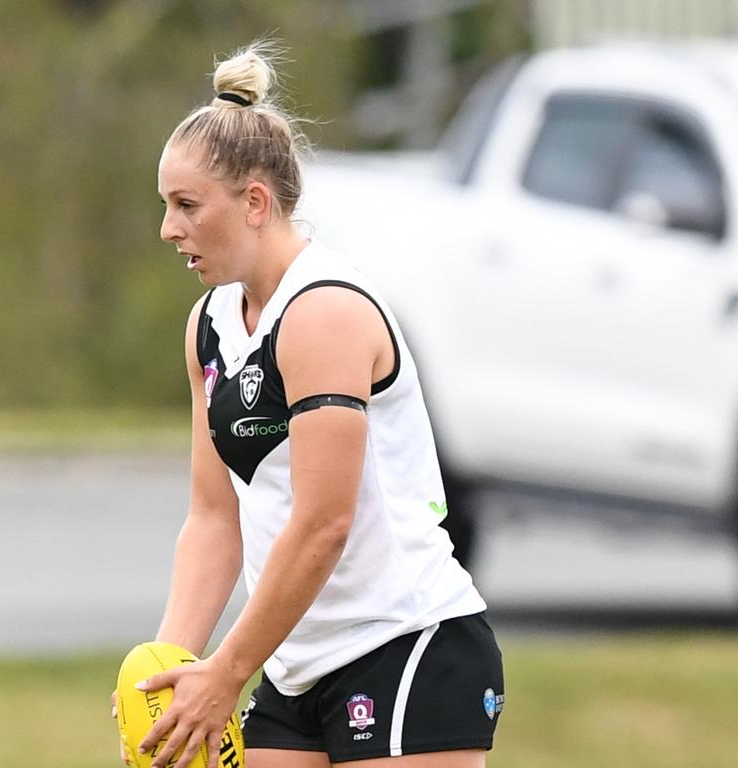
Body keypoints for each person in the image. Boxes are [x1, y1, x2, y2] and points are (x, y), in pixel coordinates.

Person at [137, 41, 504, 768]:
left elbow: (323, 524)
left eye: (185, 206)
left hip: (406, 644)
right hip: (296, 660)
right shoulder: (210, 326)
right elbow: (214, 518)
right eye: (165, 206)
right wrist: (169, 670)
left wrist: (226, 674)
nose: (167, 229)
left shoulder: (323, 312)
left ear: (254, 203)